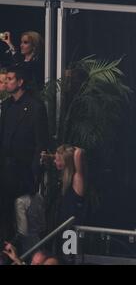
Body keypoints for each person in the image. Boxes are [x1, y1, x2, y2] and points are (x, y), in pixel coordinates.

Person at [0, 66, 49, 250]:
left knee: (19, 216)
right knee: (4, 214)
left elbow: (41, 142)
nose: (7, 82)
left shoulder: (35, 107)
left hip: (23, 172)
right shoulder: (6, 105)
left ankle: (22, 252)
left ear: (20, 82)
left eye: (11, 79)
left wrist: (35, 173)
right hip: (5, 169)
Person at [51, 145, 86, 225]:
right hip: (63, 226)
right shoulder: (65, 178)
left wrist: (68, 148)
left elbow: (79, 152)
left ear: (65, 161)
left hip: (71, 229)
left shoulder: (77, 179)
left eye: (57, 159)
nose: (54, 161)